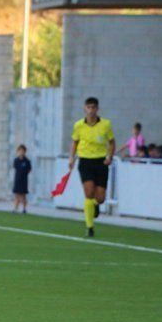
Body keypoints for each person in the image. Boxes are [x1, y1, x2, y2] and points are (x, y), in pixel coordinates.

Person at [68, 97, 115, 237]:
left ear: (97, 109)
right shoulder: (79, 125)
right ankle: (89, 227)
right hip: (85, 162)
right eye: (88, 107)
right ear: (85, 109)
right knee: (88, 193)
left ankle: (95, 204)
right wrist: (71, 158)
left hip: (101, 162)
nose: (91, 110)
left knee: (100, 198)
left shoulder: (106, 124)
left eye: (93, 107)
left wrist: (109, 156)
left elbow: (112, 142)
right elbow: (75, 142)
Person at [12, 145, 31, 214]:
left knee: (23, 195)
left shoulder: (27, 161)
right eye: (20, 151)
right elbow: (15, 167)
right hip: (17, 180)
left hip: (24, 180)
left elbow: (29, 170)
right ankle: (15, 208)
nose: (21, 152)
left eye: (22, 151)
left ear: (24, 152)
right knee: (16, 195)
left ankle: (24, 209)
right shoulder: (16, 160)